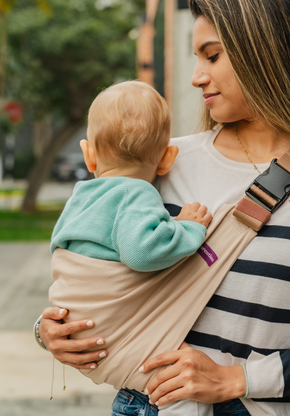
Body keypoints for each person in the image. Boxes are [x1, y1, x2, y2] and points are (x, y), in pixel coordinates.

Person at [36, 1, 290, 415]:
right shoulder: (161, 163)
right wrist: (54, 329)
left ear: (267, 51)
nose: (196, 78)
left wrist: (236, 379)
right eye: (196, 58)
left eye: (212, 55)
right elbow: (98, 267)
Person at [47, 80, 214, 416]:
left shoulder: (81, 195)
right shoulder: (137, 194)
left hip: (75, 320)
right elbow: (143, 252)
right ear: (167, 159)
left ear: (89, 154)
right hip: (113, 333)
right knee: (180, 391)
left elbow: (59, 247)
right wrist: (188, 228)